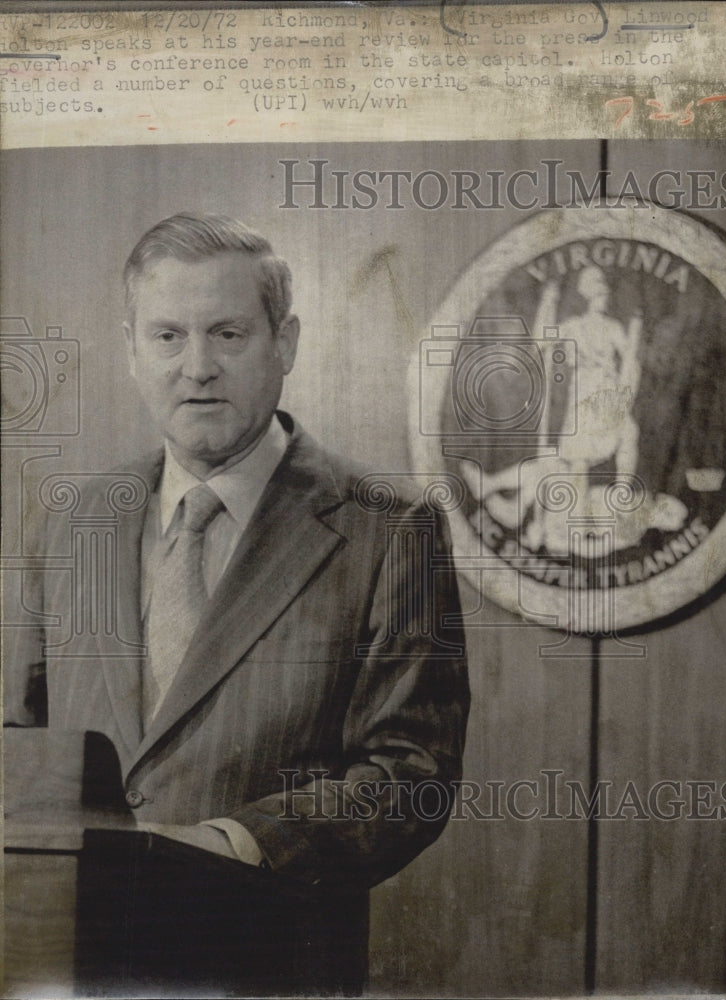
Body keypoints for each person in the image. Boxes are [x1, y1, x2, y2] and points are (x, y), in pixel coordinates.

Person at [4, 213, 470, 995]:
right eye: (166, 337)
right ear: (129, 350)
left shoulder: (388, 527)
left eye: (227, 334)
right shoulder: (74, 519)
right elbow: (17, 746)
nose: (197, 368)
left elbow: (408, 778)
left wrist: (230, 841)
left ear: (282, 343)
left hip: (269, 965)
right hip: (68, 968)